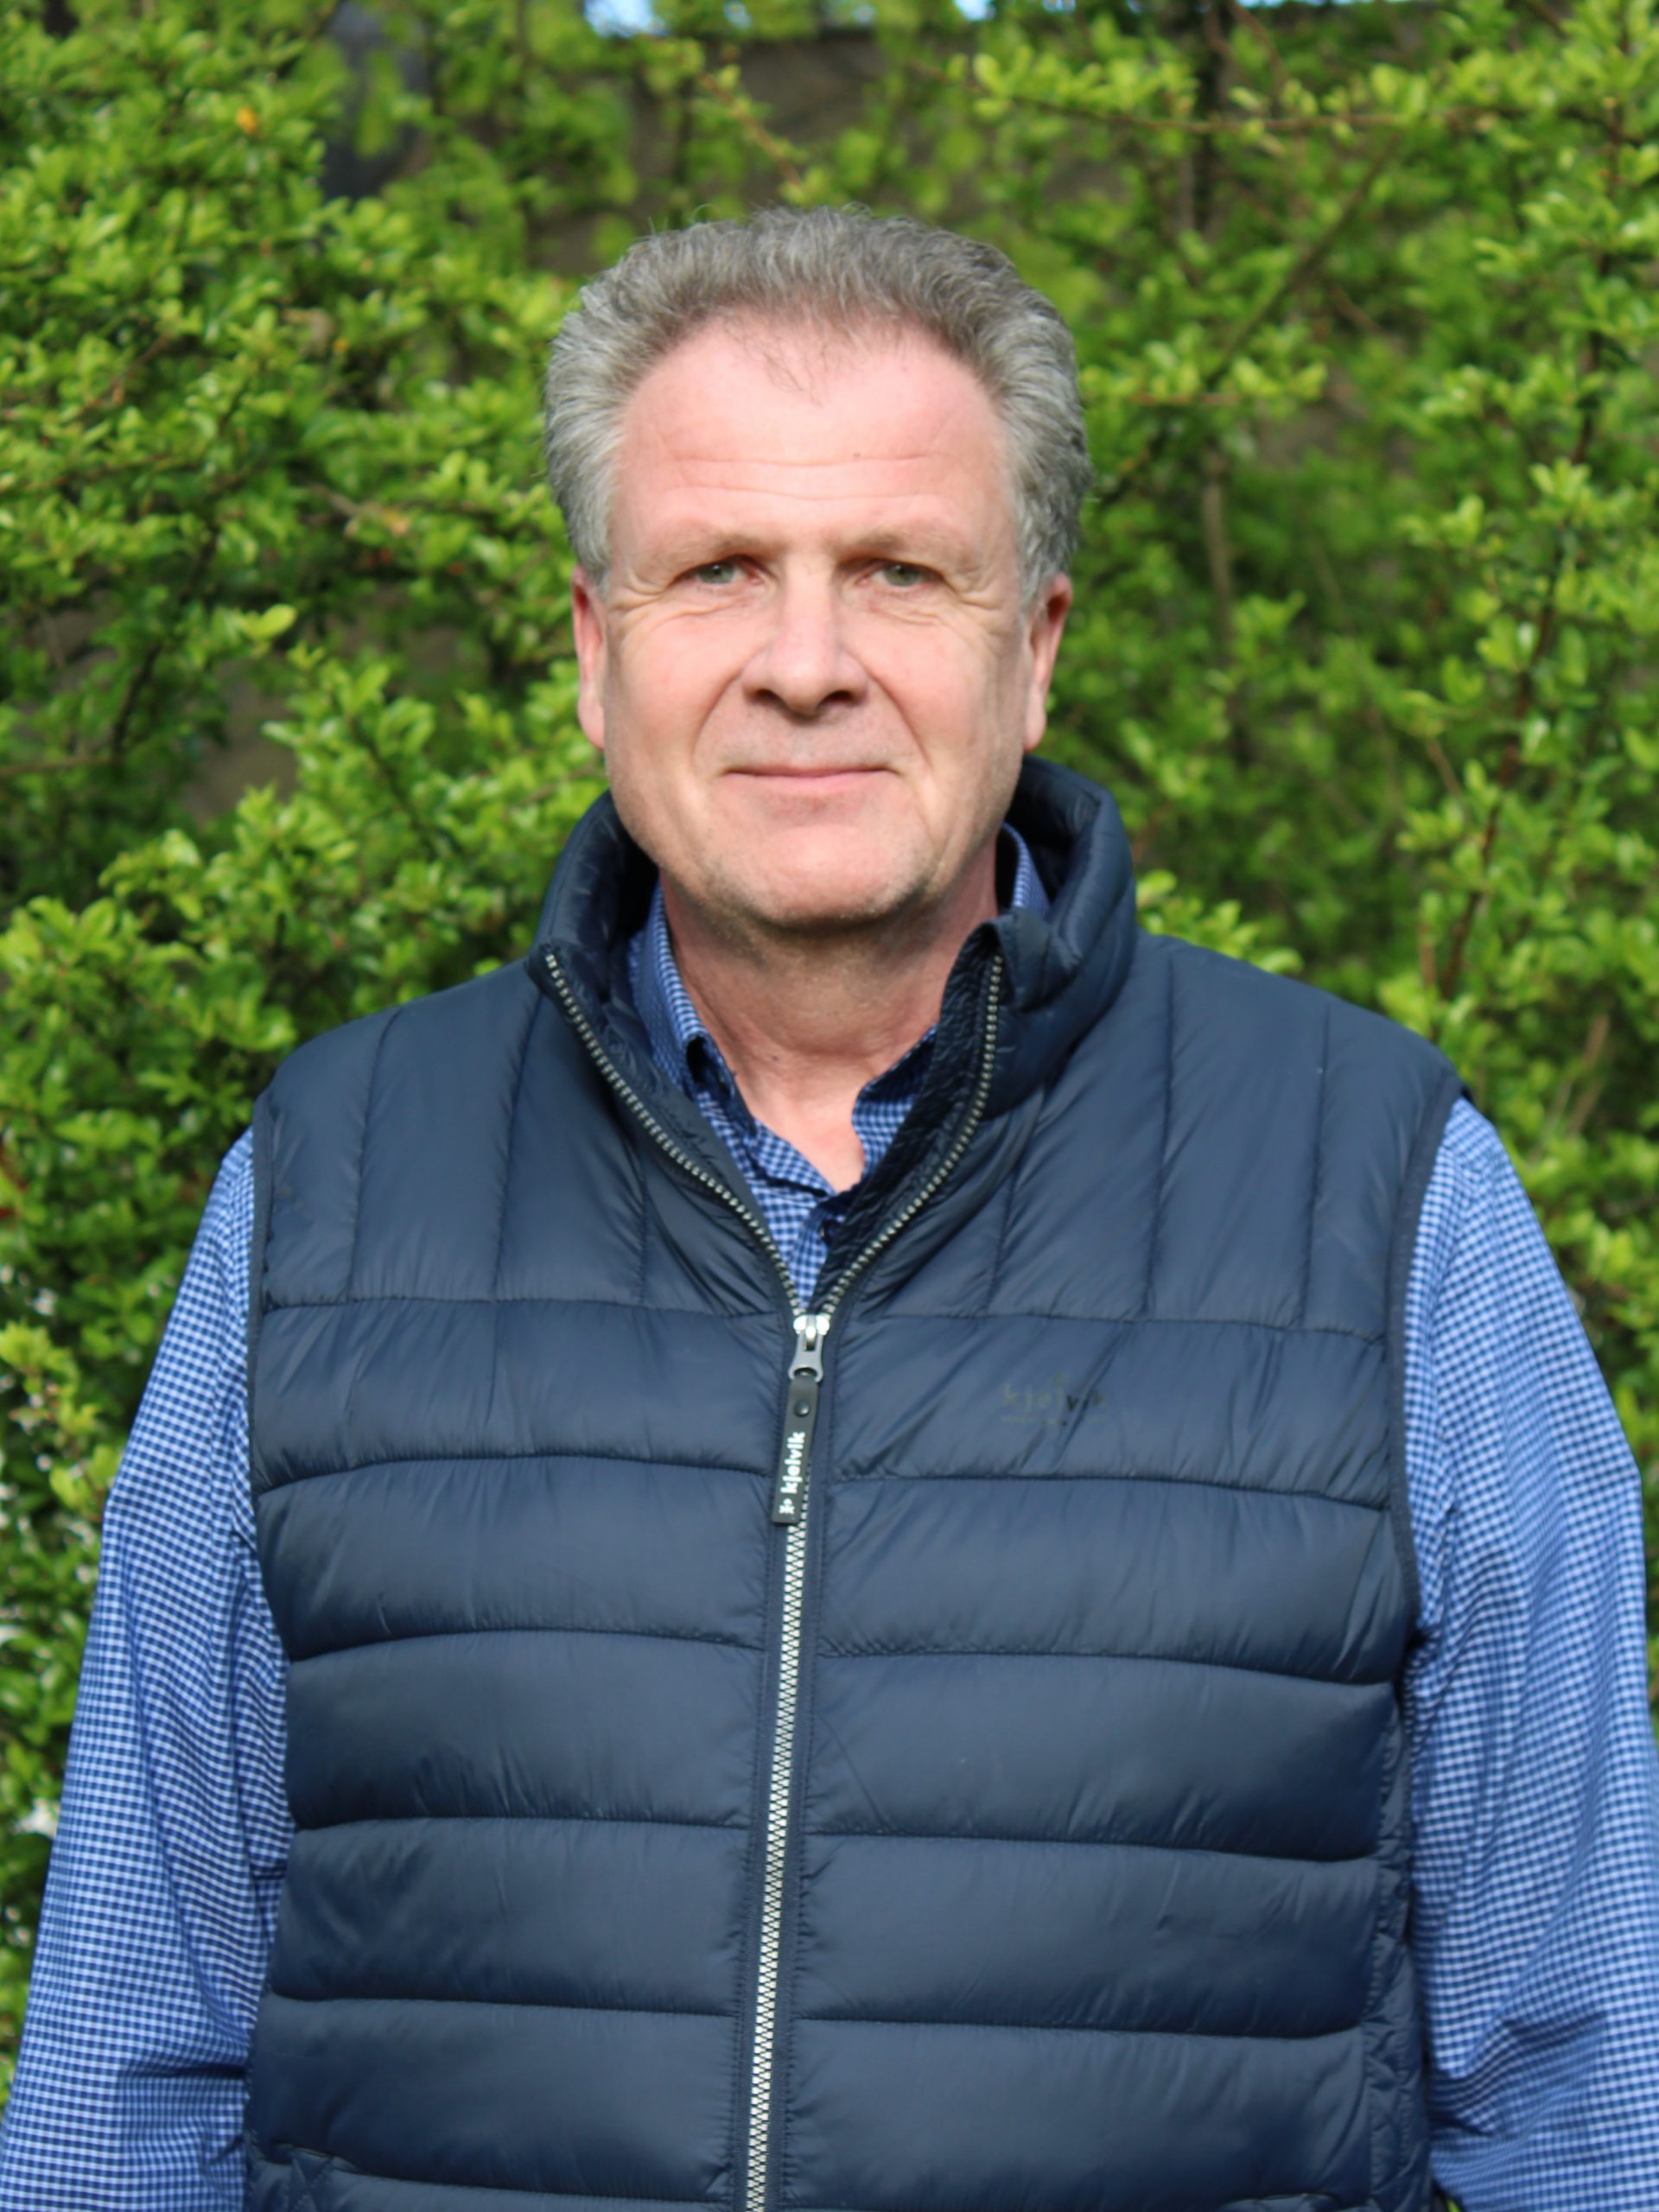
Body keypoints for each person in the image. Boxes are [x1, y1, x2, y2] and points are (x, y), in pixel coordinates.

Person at [1, 207, 1656, 2212]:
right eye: (718, 570)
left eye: (899, 571)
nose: (806, 665)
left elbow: (1585, 2090)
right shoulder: (326, 1188)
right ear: (594, 650)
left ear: (1033, 648)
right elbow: (127, 2079)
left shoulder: (1384, 1196)